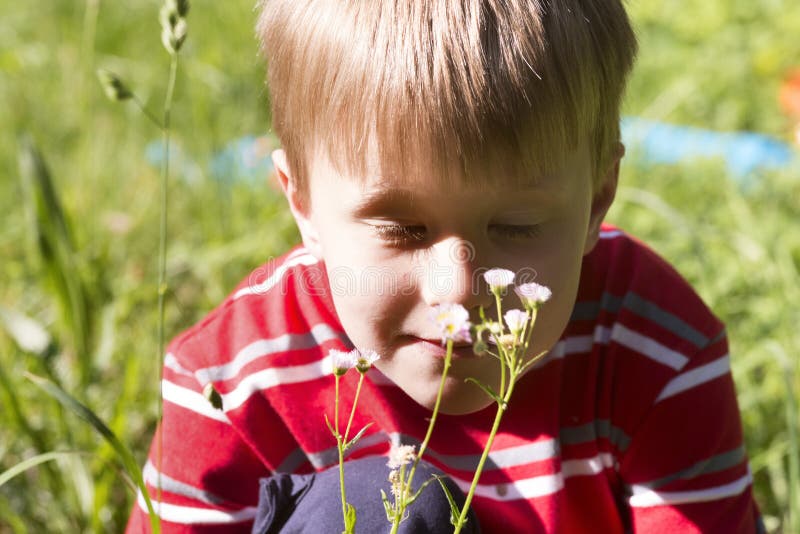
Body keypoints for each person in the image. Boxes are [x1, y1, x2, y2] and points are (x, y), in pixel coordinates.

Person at [127, 1, 763, 532]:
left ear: (598, 197)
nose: (457, 290)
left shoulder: (656, 345)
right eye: (402, 229)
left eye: (516, 226)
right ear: (304, 203)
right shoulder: (234, 379)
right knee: (378, 506)